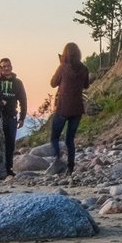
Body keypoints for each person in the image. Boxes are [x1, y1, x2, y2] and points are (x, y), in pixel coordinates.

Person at [47, 42, 90, 175]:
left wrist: (61, 65)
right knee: (70, 139)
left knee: (54, 136)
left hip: (63, 107)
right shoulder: (84, 68)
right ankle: (70, 167)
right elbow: (87, 85)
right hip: (77, 108)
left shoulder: (63, 67)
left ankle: (58, 159)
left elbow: (53, 83)